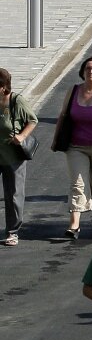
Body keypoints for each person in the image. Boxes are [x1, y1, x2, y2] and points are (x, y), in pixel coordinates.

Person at [56, 55, 92, 240]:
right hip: (76, 147)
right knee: (78, 184)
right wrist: (56, 139)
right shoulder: (73, 91)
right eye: (88, 68)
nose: (91, 71)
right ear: (82, 72)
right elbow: (63, 115)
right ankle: (74, 224)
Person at [0, 67, 37, 247]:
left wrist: (21, 136)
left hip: (13, 156)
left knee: (14, 194)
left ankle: (12, 232)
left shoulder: (16, 101)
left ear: (2, 87)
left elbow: (33, 120)